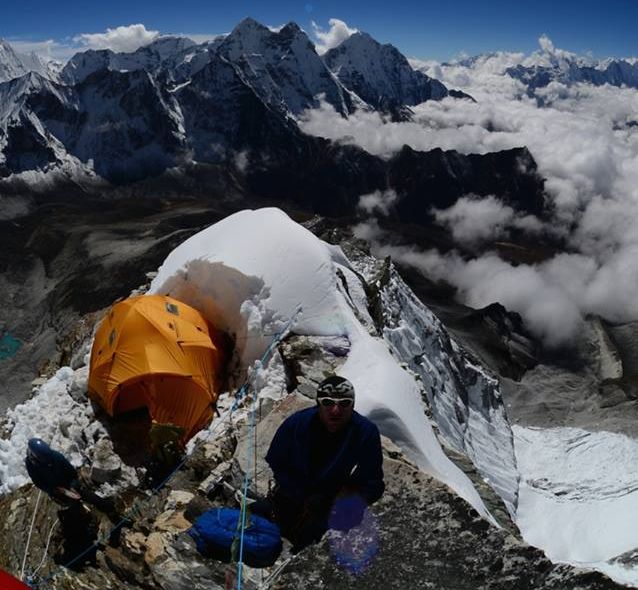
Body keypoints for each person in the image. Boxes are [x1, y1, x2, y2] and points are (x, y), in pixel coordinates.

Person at [260, 375, 384, 552]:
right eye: (327, 402)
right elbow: (277, 461)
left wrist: (348, 498)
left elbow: (372, 482)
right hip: (290, 493)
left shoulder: (365, 433)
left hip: (328, 502)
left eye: (344, 403)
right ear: (318, 404)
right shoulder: (297, 424)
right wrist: (298, 491)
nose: (335, 410)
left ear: (353, 406)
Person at [24, 438, 122, 565]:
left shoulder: (55, 457)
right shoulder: (31, 464)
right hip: (58, 491)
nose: (46, 461)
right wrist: (53, 490)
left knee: (95, 499)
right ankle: (86, 534)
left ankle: (113, 514)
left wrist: (73, 486)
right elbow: (38, 482)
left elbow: (72, 473)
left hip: (70, 486)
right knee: (75, 513)